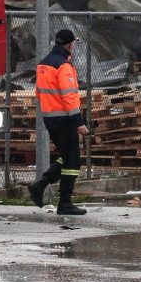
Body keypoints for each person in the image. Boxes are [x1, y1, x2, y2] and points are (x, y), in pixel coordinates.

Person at [28, 29, 89, 215]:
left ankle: (41, 184)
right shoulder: (64, 67)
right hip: (65, 118)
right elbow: (69, 96)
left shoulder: (43, 64)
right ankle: (64, 202)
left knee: (67, 155)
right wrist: (79, 122)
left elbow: (39, 92)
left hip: (50, 118)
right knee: (72, 160)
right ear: (70, 45)